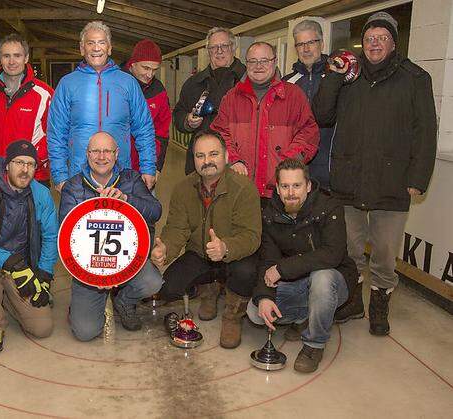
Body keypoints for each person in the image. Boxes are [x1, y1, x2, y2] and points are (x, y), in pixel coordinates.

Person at [312, 12, 437, 335]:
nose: (374, 43)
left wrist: (417, 178)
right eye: (369, 39)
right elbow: (322, 114)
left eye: (382, 38)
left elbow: (426, 131)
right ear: (362, 44)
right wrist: (333, 76)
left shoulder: (415, 78)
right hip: (348, 179)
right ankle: (353, 300)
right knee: (350, 250)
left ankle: (379, 302)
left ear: (394, 43)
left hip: (391, 182)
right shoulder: (348, 76)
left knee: (383, 253)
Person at [151, 131, 261, 349]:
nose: (207, 161)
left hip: (235, 257)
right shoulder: (183, 188)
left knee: (246, 273)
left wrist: (226, 248)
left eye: (213, 154)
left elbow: (251, 236)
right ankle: (209, 289)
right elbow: (177, 228)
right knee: (170, 287)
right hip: (200, 254)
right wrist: (166, 248)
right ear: (193, 159)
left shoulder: (244, 188)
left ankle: (233, 315)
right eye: (200, 156)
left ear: (227, 157)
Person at [246, 159, 357, 373]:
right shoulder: (269, 215)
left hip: (335, 280)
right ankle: (306, 315)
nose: (291, 193)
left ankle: (314, 345)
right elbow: (268, 261)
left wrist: (282, 269)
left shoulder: (329, 207)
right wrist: (265, 297)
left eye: (296, 186)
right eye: (285, 186)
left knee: (322, 278)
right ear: (277, 189)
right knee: (254, 312)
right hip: (298, 283)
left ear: (308, 186)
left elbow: (332, 254)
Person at [60, 132, 163, 341]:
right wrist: (97, 275)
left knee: (152, 281)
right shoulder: (73, 186)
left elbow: (156, 211)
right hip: (89, 268)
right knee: (86, 332)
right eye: (95, 151)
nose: (101, 156)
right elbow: (66, 236)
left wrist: (127, 199)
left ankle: (123, 300)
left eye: (107, 150)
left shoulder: (131, 179)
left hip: (127, 259)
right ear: (87, 154)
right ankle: (82, 303)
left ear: (117, 154)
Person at [0, 140, 58, 353]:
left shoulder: (41, 194)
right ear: (7, 164)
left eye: (31, 164)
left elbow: (50, 236)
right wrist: (12, 263)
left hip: (26, 268)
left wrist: (44, 275)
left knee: (42, 328)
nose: (25, 169)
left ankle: (9, 299)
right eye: (19, 162)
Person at [48, 21, 157, 192]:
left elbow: (144, 128)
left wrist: (148, 168)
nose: (96, 48)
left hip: (120, 175)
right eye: (90, 43)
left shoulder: (128, 83)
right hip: (79, 176)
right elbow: (56, 133)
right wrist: (60, 175)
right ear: (82, 48)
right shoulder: (67, 84)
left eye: (101, 42)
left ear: (110, 48)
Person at [210, 41, 319, 202]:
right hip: (239, 189)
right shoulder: (231, 98)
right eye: (252, 61)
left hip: (280, 192)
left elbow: (308, 133)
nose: (258, 66)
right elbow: (219, 133)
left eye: (264, 60)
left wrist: (288, 163)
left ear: (275, 62)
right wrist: (233, 159)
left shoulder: (294, 96)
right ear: (246, 64)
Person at [0, 33, 54, 186]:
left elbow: (54, 135)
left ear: (26, 58)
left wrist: (31, 162)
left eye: (17, 55)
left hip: (34, 177)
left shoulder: (44, 94)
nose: (12, 61)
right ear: (0, 59)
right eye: (6, 56)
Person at [173, 27, 246, 175]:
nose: (219, 51)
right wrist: (187, 120)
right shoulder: (194, 83)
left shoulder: (248, 80)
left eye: (224, 46)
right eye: (214, 47)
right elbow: (178, 113)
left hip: (238, 161)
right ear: (208, 51)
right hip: (202, 162)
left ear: (233, 48)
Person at [283, 20, 334, 190]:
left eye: (311, 42)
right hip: (295, 174)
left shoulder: (337, 79)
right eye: (300, 44)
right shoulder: (286, 83)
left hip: (330, 174)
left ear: (322, 43)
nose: (305, 49)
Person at [123, 39, 172, 175]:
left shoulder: (158, 91)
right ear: (133, 64)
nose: (150, 75)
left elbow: (162, 133)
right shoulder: (116, 84)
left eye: (154, 70)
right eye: (146, 68)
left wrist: (156, 166)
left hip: (144, 168)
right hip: (114, 167)